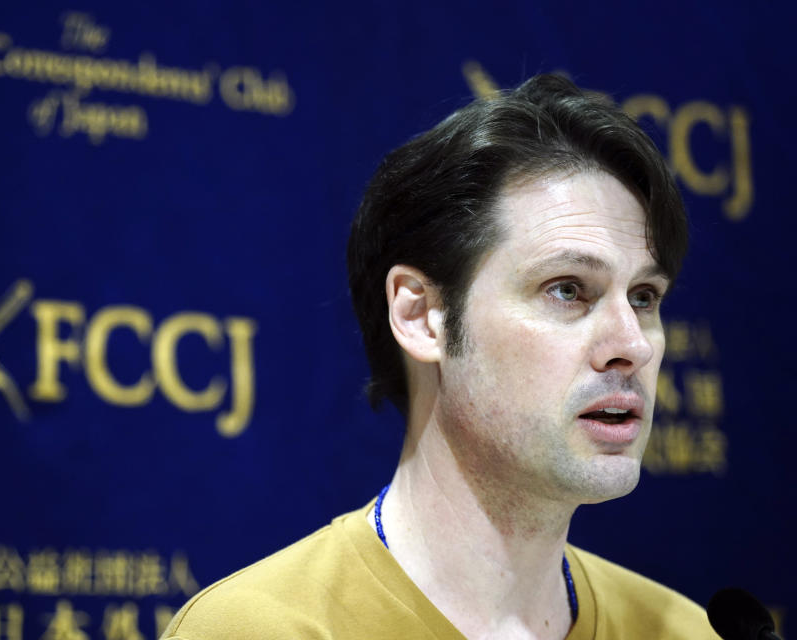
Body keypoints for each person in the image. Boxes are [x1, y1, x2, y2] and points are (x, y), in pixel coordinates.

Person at [161, 74, 719, 639]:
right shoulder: (255, 630)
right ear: (420, 316)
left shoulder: (688, 631)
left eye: (645, 298)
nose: (633, 344)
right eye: (568, 289)